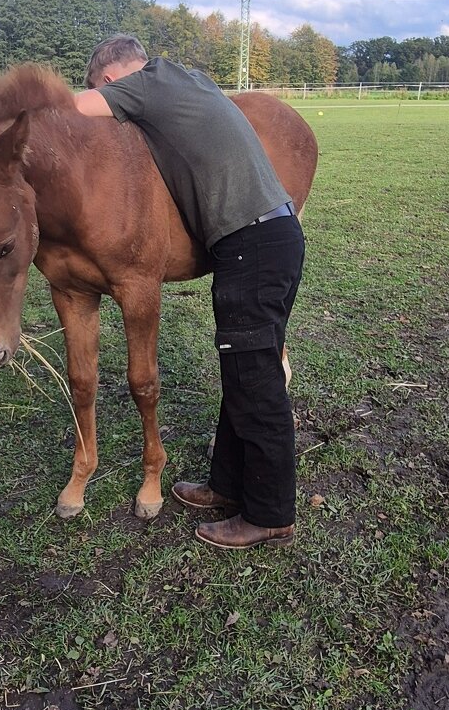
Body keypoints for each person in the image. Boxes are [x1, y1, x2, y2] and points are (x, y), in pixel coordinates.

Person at [74, 34, 306, 550]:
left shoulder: (145, 85)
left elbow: (67, 108)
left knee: (257, 381)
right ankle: (226, 484)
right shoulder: (185, 80)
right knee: (241, 371)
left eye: (105, 94)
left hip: (254, 244)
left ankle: (270, 514)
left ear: (112, 81)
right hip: (264, 240)